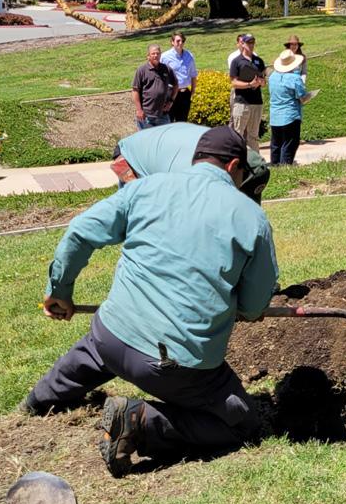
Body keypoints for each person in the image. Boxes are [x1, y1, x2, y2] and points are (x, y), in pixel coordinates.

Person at [19, 127, 279, 477]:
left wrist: (60, 290)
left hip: (110, 337)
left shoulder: (146, 187)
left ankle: (38, 400)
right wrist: (243, 306)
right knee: (242, 421)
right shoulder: (252, 218)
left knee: (94, 350)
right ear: (234, 166)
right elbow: (254, 304)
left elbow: (80, 231)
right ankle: (141, 421)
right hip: (176, 365)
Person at [111, 122, 270, 203]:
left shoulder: (250, 164)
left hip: (169, 142)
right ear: (232, 167)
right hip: (129, 157)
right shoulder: (190, 176)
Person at [268, 48, 309, 165]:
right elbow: (302, 96)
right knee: (290, 143)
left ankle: (275, 166)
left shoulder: (272, 76)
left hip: (275, 115)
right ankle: (285, 167)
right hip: (290, 114)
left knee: (276, 143)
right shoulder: (295, 78)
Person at [229, 33, 266, 151]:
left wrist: (261, 82)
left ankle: (254, 160)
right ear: (243, 44)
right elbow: (234, 83)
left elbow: (264, 81)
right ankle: (237, 159)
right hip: (242, 103)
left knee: (253, 136)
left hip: (257, 102)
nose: (251, 45)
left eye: (253, 42)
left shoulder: (259, 61)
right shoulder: (236, 61)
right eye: (248, 42)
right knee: (238, 134)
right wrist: (250, 84)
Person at [131, 44, 177, 130]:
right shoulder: (142, 70)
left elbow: (176, 85)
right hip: (146, 116)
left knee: (164, 138)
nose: (156, 55)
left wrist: (171, 102)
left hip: (163, 115)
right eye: (153, 53)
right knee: (146, 138)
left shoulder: (166, 69)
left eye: (158, 53)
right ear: (148, 56)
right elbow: (135, 90)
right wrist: (139, 110)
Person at [161, 32, 198, 123]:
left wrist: (193, 92)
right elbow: (160, 76)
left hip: (185, 94)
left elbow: (193, 74)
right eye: (178, 41)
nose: (180, 43)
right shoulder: (165, 57)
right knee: (169, 122)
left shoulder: (189, 56)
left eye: (182, 41)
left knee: (182, 123)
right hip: (171, 94)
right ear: (172, 42)